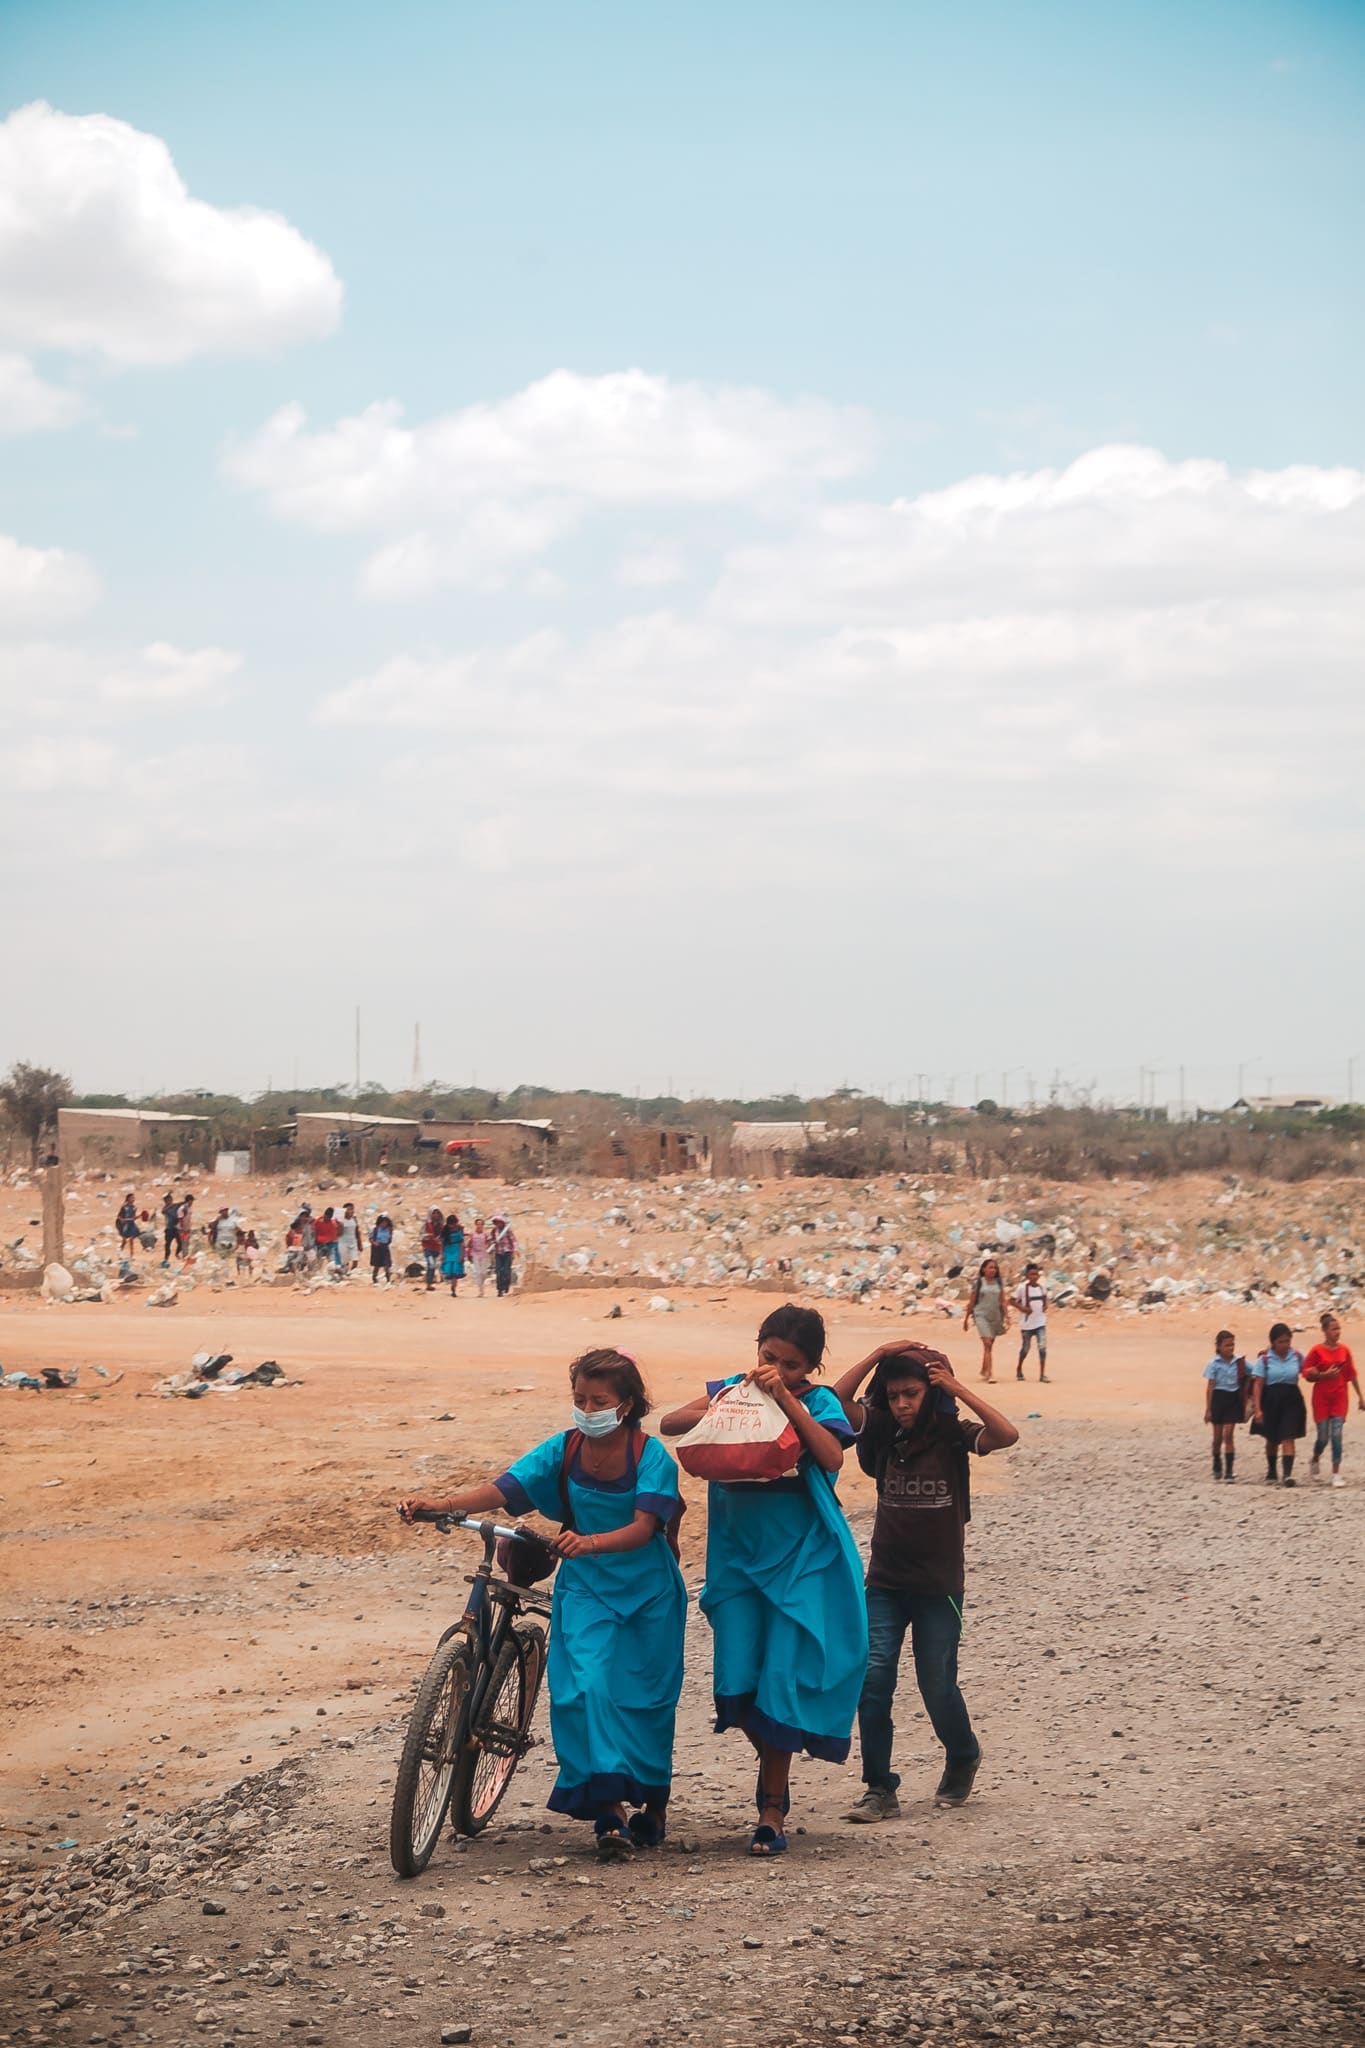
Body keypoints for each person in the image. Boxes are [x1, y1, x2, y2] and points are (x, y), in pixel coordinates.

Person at [399, 1348, 687, 1860]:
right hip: (586, 1587)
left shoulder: (652, 1457)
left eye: (599, 1400)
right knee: (585, 1688)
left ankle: (652, 1803)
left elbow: (646, 1527)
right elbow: (503, 1487)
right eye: (580, 1398)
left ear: (626, 1405)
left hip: (649, 1593)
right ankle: (610, 1811)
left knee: (645, 1698)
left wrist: (592, 1542)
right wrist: (439, 1505)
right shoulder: (566, 1449)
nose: (587, 1407)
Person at [660, 1304, 867, 1857]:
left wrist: (788, 1401)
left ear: (813, 1365)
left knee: (779, 1678)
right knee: (736, 1680)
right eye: (769, 1357)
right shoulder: (733, 1387)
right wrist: (732, 1400)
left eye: (793, 1363)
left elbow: (829, 1457)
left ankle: (771, 1808)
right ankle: (773, 1765)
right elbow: (671, 1424)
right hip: (737, 1559)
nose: (778, 1367)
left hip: (800, 1559)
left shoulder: (818, 1402)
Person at [831, 1341, 1018, 1821]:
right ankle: (879, 1788)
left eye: (911, 1394)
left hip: (939, 1586)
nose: (902, 1404)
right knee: (873, 1680)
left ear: (930, 1393)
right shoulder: (883, 1433)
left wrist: (955, 1387)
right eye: (893, 1396)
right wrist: (877, 1353)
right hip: (886, 1582)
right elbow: (837, 1399)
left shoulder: (952, 1434)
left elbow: (1007, 1433)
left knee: (936, 1683)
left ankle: (962, 1754)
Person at [1304, 1312, 1363, 1488]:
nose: (1337, 1332)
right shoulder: (1316, 1351)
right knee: (1323, 1436)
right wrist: (1324, 1375)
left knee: (1336, 1434)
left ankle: (1336, 1472)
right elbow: (1307, 1373)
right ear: (1324, 1331)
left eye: (1339, 1329)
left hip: (1339, 1397)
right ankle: (1315, 1457)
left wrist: (1360, 1396)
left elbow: (1351, 1375)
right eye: (1333, 1329)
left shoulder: (1344, 1350)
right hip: (1321, 1398)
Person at [1250, 1323, 1307, 1486]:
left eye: (1287, 1341)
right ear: (1273, 1342)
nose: (1285, 1345)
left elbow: (1309, 1371)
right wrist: (1258, 1408)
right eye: (1281, 1342)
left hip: (1292, 1399)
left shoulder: (1297, 1356)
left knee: (1288, 1436)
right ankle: (1272, 1471)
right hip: (1271, 1400)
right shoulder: (1265, 1359)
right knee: (1272, 1438)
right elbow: (1258, 1384)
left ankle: (1287, 1474)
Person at [1203, 1330, 1249, 1482]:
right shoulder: (1213, 1364)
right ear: (1219, 1346)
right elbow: (1210, 1386)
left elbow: (1255, 1370)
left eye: (1232, 1344)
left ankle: (1229, 1471)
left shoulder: (1239, 1361)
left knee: (1228, 1435)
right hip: (1218, 1398)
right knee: (1217, 1438)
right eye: (1227, 1345)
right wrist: (1208, 1409)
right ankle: (1217, 1460)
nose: (1230, 1348)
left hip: (1233, 1399)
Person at [962, 1257, 1008, 1382]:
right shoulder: (979, 1283)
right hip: (981, 1315)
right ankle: (990, 1374)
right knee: (987, 1343)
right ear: (983, 1269)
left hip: (995, 1316)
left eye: (995, 1268)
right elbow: (971, 1302)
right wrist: (966, 1319)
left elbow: (1003, 1300)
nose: (993, 1270)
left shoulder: (998, 1283)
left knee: (989, 1346)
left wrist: (1007, 1317)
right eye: (990, 1267)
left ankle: (984, 1369)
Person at [1012, 1262, 1049, 1382]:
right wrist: (1022, 1308)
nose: (1034, 1276)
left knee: (1042, 1348)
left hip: (1040, 1323)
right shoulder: (1022, 1288)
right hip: (1027, 1324)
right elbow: (1012, 1300)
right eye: (1032, 1274)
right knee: (1025, 1349)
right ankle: (1019, 1368)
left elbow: (1045, 1300)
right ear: (1027, 1275)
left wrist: (1044, 1307)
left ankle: (1042, 1374)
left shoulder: (1042, 1287)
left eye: (1036, 1274)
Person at [420, 1207, 445, 1291]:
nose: (436, 1215)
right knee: (431, 1264)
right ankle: (428, 1283)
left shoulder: (441, 1226)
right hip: (428, 1247)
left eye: (437, 1213)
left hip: (436, 1248)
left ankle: (429, 1282)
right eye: (434, 1213)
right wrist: (428, 1236)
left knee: (433, 1265)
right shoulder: (426, 1224)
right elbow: (421, 1235)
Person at [441, 1212, 466, 1296]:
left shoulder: (459, 1230)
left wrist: (462, 1254)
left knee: (455, 1271)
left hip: (457, 1250)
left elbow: (462, 1242)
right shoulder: (445, 1231)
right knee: (450, 1270)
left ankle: (453, 1288)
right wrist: (442, 1254)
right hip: (448, 1251)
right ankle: (452, 1285)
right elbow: (442, 1243)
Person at [492, 1214, 517, 1298]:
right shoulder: (494, 1231)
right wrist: (493, 1243)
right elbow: (491, 1240)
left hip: (507, 1252)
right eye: (496, 1222)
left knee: (506, 1271)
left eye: (499, 1222)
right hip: (498, 1253)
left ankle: (506, 1285)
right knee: (499, 1272)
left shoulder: (507, 1231)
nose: (498, 1224)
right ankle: (499, 1289)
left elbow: (513, 1240)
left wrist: (514, 1250)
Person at [467, 1216, 492, 1297]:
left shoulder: (486, 1234)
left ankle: (482, 1286)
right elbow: (469, 1244)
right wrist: (469, 1254)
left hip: (484, 1254)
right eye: (478, 1224)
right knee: (478, 1273)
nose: (479, 1226)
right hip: (475, 1254)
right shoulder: (472, 1234)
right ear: (475, 1225)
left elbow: (490, 1243)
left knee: (483, 1273)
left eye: (481, 1224)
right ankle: (480, 1290)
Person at [337, 1201, 364, 1271]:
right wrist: (340, 1224)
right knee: (345, 1262)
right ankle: (345, 1274)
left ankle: (351, 1273)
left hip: (353, 1242)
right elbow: (339, 1233)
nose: (351, 1211)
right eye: (349, 1209)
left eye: (352, 1209)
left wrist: (359, 1243)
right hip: (343, 1243)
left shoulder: (354, 1219)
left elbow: (357, 1231)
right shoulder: (341, 1220)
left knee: (355, 1261)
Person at [370, 1212, 394, 1284]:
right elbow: (370, 1238)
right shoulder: (376, 1230)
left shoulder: (389, 1230)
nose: (384, 1224)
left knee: (386, 1264)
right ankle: (374, 1277)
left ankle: (388, 1278)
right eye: (382, 1222)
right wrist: (374, 1243)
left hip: (385, 1248)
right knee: (377, 1265)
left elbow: (390, 1239)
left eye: (385, 1222)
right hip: (377, 1248)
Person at [116, 1192, 141, 1259]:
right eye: (132, 1198)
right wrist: (122, 1220)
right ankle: (120, 1253)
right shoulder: (124, 1206)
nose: (133, 1199)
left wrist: (140, 1216)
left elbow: (133, 1217)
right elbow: (119, 1216)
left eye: (134, 1198)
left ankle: (131, 1255)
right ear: (128, 1198)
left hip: (131, 1224)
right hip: (124, 1225)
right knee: (124, 1240)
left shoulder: (134, 1207)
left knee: (131, 1240)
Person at [160, 1192, 180, 1266]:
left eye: (170, 1199)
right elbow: (163, 1211)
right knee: (168, 1244)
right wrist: (170, 1206)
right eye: (168, 1200)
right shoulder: (165, 1208)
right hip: (169, 1229)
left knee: (180, 1242)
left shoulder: (175, 1206)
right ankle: (166, 1257)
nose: (170, 1201)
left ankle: (177, 1253)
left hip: (176, 1228)